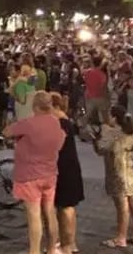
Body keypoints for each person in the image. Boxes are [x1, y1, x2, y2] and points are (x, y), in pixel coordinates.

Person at [4, 91, 65, 254]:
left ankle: (35, 251)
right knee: (50, 212)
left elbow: (7, 132)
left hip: (30, 175)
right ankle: (52, 248)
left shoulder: (29, 123)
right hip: (50, 174)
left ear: (35, 106)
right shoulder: (54, 122)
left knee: (34, 216)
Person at [94, 105, 133, 247]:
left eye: (110, 115)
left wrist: (99, 135)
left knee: (122, 207)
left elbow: (101, 149)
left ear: (115, 118)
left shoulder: (113, 134)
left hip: (119, 175)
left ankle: (121, 237)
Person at [50, 93, 83, 254]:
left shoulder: (62, 123)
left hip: (65, 170)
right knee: (65, 208)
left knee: (66, 208)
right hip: (66, 168)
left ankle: (67, 244)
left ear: (56, 107)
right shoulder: (63, 122)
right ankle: (68, 243)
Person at [83, 56, 110, 126]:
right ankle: (107, 131)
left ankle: (83, 128)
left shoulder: (87, 72)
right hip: (100, 97)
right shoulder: (102, 74)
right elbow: (103, 87)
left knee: (88, 115)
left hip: (89, 96)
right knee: (105, 116)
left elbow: (85, 81)